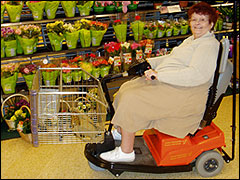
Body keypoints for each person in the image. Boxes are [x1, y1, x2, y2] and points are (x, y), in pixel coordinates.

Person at [100, 2, 219, 163]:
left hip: (186, 94)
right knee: (127, 88)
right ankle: (122, 130)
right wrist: (149, 63)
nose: (197, 23)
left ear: (211, 24)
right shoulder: (192, 40)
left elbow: (196, 75)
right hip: (173, 84)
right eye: (194, 19)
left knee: (132, 98)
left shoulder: (208, 45)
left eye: (202, 20)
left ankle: (126, 151)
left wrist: (160, 75)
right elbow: (171, 58)